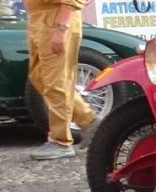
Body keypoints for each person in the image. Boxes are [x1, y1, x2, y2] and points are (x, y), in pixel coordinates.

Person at [26, 0, 97, 160]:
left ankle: (61, 141)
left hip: (56, 19)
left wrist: (61, 27)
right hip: (38, 18)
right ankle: (89, 121)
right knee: (39, 76)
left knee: (56, 82)